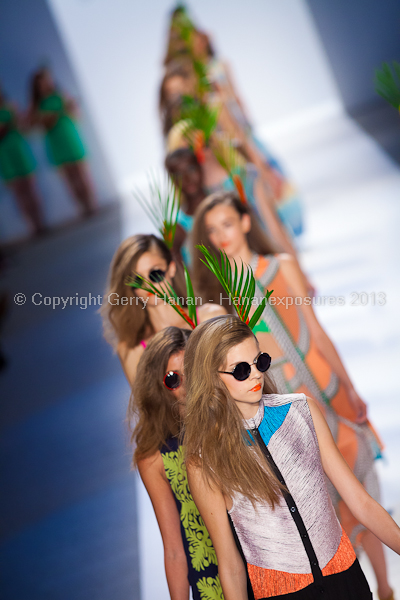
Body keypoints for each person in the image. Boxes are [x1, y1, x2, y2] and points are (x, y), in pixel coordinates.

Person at [190, 191, 394, 599]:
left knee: (358, 480)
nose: (221, 235)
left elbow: (316, 331)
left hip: (317, 389)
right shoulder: (215, 307)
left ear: (246, 222)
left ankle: (385, 587)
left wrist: (347, 386)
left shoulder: (282, 267)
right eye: (212, 231)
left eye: (227, 223)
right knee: (315, 500)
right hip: (269, 397)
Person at [184, 315, 400, 599]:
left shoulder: (302, 411)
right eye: (240, 370)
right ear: (212, 378)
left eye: (259, 362)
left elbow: (360, 502)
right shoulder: (205, 459)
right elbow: (230, 562)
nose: (256, 375)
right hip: (280, 593)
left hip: (346, 579)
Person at [129, 326, 223, 599]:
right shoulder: (154, 457)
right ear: (158, 386)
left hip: (265, 562)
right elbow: (173, 549)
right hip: (210, 579)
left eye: (191, 373)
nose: (186, 386)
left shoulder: (230, 422)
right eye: (173, 379)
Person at [101, 233, 225, 386]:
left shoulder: (212, 317)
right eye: (138, 279)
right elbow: (148, 408)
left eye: (155, 273)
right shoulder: (132, 350)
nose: (148, 286)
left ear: (171, 268)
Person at [29, 68, 97, 217]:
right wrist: (50, 116)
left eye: (47, 80)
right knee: (70, 178)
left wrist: (71, 107)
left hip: (70, 137)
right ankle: (83, 208)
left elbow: (76, 115)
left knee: (82, 174)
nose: (46, 84)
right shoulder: (38, 105)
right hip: (56, 143)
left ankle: (92, 205)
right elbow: (36, 124)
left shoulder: (61, 96)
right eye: (42, 82)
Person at [0, 86, 46, 236]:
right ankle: (33, 227)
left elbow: (25, 128)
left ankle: (41, 224)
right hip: (6, 158)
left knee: (32, 191)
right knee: (20, 195)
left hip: (21, 153)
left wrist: (20, 117)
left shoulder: (10, 108)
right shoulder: (8, 112)